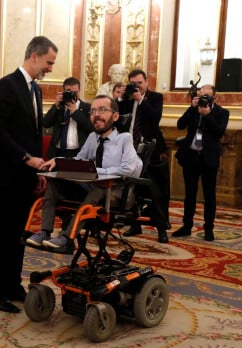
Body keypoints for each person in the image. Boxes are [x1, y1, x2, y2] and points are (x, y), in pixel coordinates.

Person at [0, 36, 58, 314]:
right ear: (35, 56)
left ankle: (13, 285)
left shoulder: (36, 91)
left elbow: (35, 135)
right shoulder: (7, 85)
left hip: (26, 177)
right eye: (49, 62)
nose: (50, 68)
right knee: (0, 237)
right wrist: (26, 158)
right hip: (5, 176)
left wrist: (37, 170)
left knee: (19, 235)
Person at [27, 95, 142, 253]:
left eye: (102, 110)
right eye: (93, 111)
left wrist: (94, 170)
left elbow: (127, 170)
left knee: (99, 188)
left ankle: (67, 239)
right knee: (55, 182)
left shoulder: (124, 139)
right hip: (94, 188)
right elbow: (79, 161)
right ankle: (45, 232)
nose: (96, 114)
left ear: (115, 116)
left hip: (117, 193)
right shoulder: (92, 138)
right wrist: (59, 161)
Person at [114, 69, 170, 243]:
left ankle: (161, 228)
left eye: (139, 82)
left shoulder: (155, 98)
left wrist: (141, 100)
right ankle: (135, 224)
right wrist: (121, 98)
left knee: (157, 191)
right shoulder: (128, 99)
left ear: (146, 82)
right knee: (134, 190)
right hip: (131, 149)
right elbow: (118, 116)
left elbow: (155, 118)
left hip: (151, 150)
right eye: (133, 83)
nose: (137, 86)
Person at [174, 84, 229, 241]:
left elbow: (218, 132)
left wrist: (207, 114)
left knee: (209, 196)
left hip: (208, 159)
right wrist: (192, 108)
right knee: (189, 195)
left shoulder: (221, 112)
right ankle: (186, 226)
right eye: (201, 96)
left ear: (214, 98)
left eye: (207, 96)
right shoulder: (193, 109)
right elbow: (180, 125)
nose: (203, 99)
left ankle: (208, 229)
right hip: (191, 157)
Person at [43, 77, 93, 159]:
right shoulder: (59, 106)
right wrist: (56, 106)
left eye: (75, 92)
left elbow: (90, 127)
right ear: (64, 92)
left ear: (80, 91)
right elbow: (46, 123)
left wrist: (75, 111)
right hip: (57, 152)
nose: (72, 95)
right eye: (69, 92)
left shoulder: (87, 107)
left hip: (78, 152)